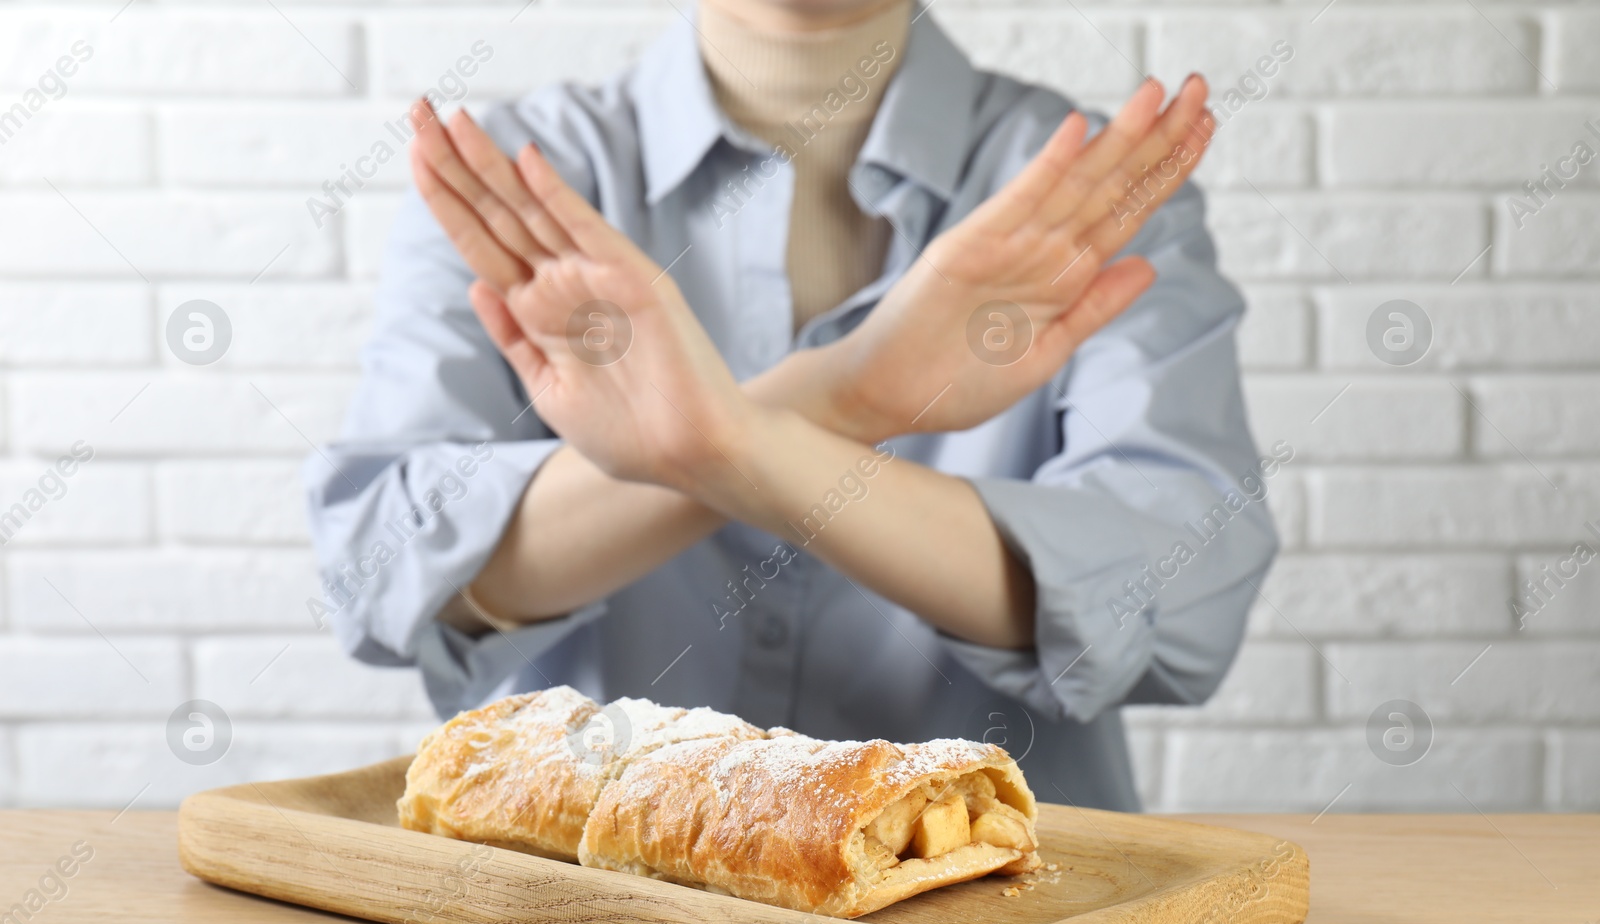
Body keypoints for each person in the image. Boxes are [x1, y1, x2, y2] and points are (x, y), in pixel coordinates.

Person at [304, 0, 1278, 811]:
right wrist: (849, 393)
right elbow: (380, 563)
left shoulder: (1084, 192)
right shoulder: (515, 175)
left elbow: (1185, 589)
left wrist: (740, 441)